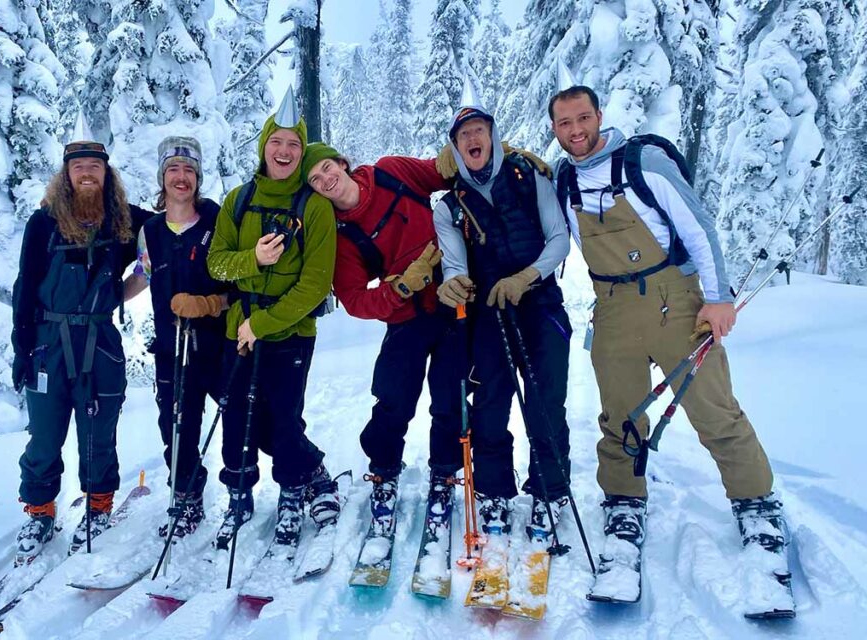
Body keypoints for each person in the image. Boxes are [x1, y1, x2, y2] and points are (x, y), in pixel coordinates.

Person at [549, 85, 783, 603]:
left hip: (674, 300)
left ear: (598, 116)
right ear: (555, 129)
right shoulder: (564, 178)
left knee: (714, 410)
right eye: (564, 123)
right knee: (621, 415)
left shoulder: (644, 162)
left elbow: (699, 229)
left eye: (582, 118)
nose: (575, 130)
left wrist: (717, 299)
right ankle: (624, 504)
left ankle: (758, 507)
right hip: (611, 306)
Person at [432, 83, 575, 544]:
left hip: (539, 303)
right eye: (464, 135)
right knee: (490, 403)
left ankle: (549, 491)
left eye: (479, 130)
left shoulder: (527, 177)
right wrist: (454, 283)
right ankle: (493, 491)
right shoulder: (449, 206)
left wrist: (527, 276)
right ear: (456, 148)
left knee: (545, 399)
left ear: (493, 136)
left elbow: (558, 239)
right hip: (488, 311)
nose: (473, 139)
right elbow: (453, 262)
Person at [302, 141, 463, 548]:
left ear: (342, 162)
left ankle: (444, 474)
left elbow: (444, 171)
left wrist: (498, 152)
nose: (326, 180)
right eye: (315, 180)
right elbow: (355, 300)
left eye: (327, 168)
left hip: (454, 301)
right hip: (406, 319)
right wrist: (402, 286)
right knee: (392, 400)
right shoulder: (341, 238)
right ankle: (384, 471)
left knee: (450, 398)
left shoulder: (391, 171)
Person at [206, 89, 340, 552]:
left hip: (290, 334)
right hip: (237, 331)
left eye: (294, 145)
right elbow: (216, 264)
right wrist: (253, 259)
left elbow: (315, 285)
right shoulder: (237, 201)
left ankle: (292, 492)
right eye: (276, 142)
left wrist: (260, 325)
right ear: (263, 146)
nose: (284, 152)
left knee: (284, 419)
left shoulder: (315, 208)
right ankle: (239, 496)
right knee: (237, 416)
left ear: (302, 153)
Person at [11, 134, 151, 563]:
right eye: (79, 167)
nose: (87, 173)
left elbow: (169, 232)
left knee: (98, 432)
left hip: (100, 343)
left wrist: (131, 285)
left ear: (106, 173)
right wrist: (21, 350)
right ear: (67, 175)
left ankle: (98, 505)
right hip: (47, 344)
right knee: (44, 435)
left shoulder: (124, 221)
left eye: (95, 166)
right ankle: (39, 511)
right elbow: (24, 289)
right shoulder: (43, 223)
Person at [122, 136, 227, 541]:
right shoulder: (151, 230)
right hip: (171, 349)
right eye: (173, 170)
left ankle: (263, 486)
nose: (181, 178)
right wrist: (108, 297)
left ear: (198, 178)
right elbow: (144, 274)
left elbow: (235, 278)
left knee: (245, 419)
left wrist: (211, 304)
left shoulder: (216, 220)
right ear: (162, 177)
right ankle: (186, 496)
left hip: (217, 346)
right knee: (176, 428)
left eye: (188, 170)